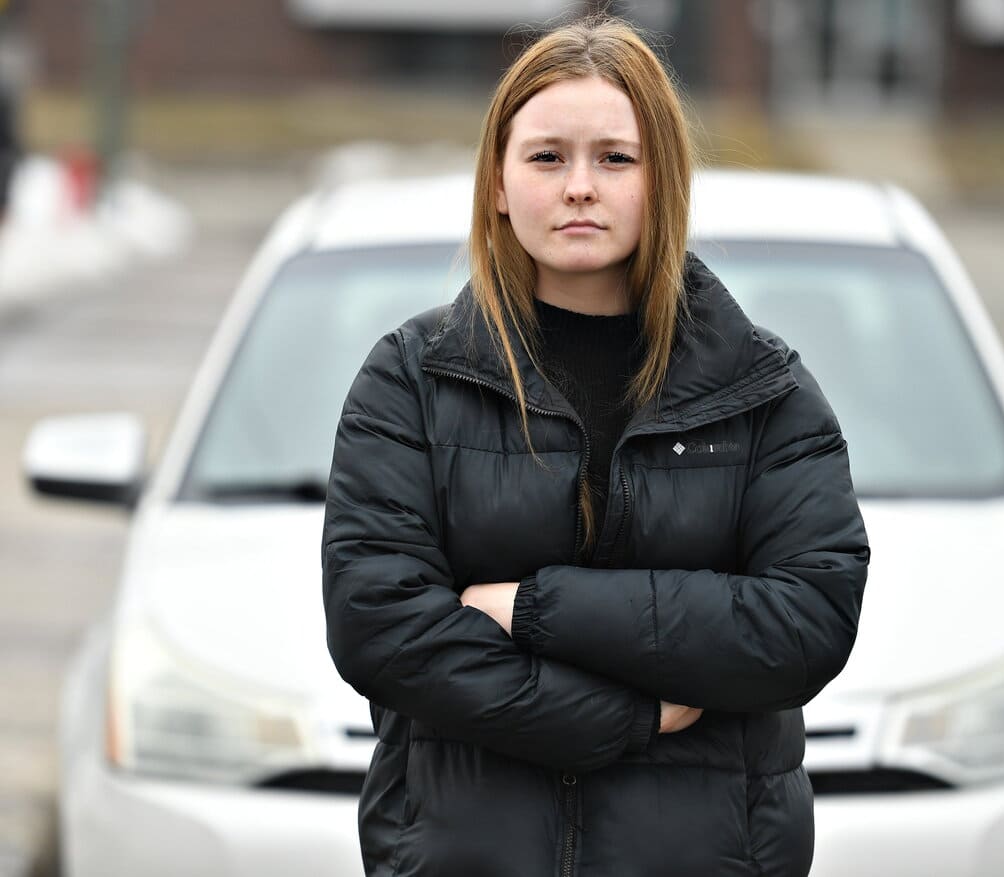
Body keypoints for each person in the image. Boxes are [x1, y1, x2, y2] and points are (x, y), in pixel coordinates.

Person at [322, 14, 869, 877]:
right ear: (498, 184)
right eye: (547, 157)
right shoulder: (412, 381)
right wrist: (633, 717)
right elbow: (378, 625)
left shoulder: (765, 391)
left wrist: (533, 607)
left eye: (615, 157)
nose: (581, 185)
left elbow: (804, 622)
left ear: (663, 181)